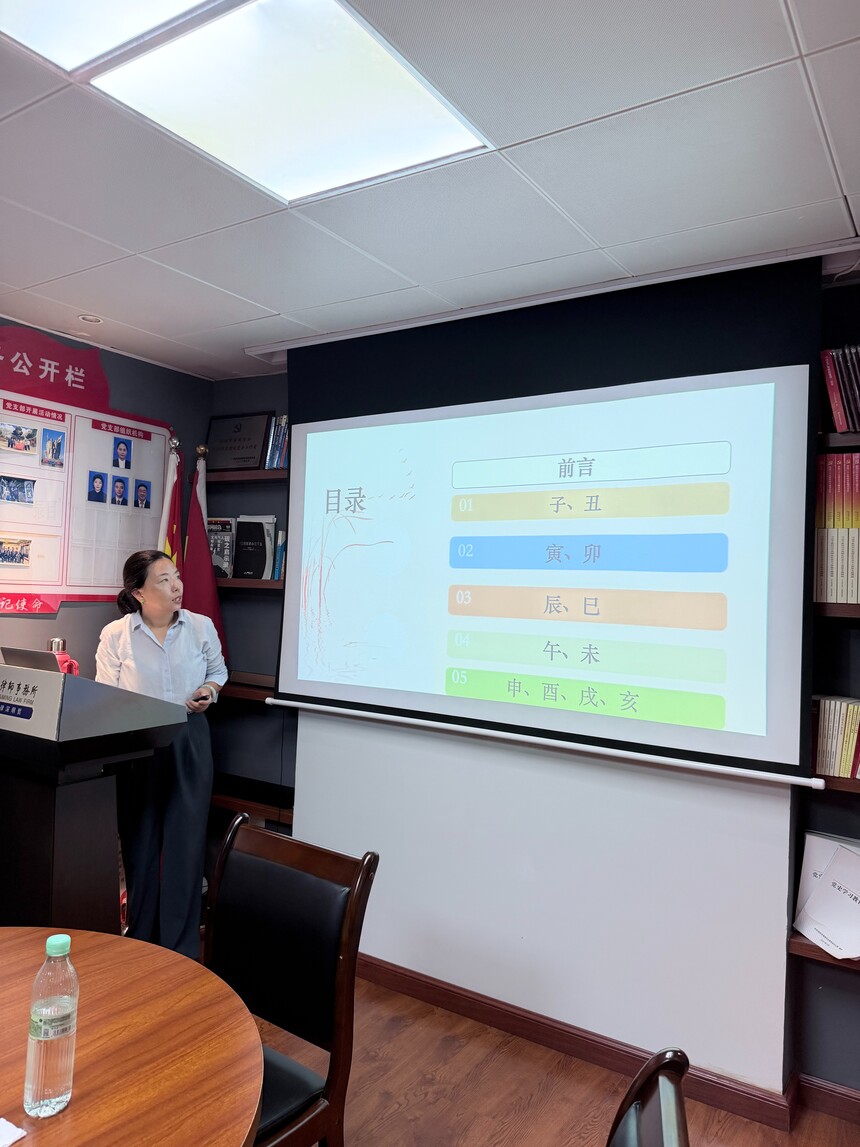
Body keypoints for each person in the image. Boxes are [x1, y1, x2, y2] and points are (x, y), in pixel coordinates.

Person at [95, 550, 227, 958]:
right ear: (138, 593)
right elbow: (105, 694)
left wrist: (209, 691)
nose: (176, 587)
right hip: (138, 742)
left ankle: (180, 947)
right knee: (141, 841)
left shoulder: (200, 626)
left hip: (190, 737)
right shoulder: (116, 635)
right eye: (163, 580)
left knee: (186, 843)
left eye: (177, 577)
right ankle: (142, 941)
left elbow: (218, 672)